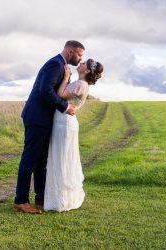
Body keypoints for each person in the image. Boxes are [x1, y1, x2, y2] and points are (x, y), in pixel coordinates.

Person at [14, 41, 85, 214]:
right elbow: (44, 91)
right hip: (37, 117)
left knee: (41, 160)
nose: (80, 58)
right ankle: (21, 200)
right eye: (79, 55)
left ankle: (41, 195)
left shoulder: (62, 66)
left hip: (44, 119)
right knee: (30, 159)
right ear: (70, 52)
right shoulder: (55, 64)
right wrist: (66, 107)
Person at [44, 59, 104, 212]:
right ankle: (57, 197)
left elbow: (60, 94)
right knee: (60, 157)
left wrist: (65, 78)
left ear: (88, 71)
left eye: (84, 64)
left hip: (64, 123)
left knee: (62, 158)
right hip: (63, 121)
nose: (81, 64)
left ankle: (62, 199)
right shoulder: (79, 83)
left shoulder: (81, 85)